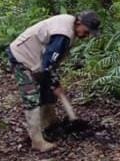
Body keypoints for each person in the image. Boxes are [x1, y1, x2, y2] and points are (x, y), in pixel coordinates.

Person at [7, 10, 101, 152]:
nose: (87, 35)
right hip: (22, 57)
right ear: (79, 23)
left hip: (37, 59)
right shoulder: (63, 34)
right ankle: (37, 140)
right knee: (31, 96)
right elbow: (48, 63)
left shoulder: (70, 28)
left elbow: (50, 63)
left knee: (48, 88)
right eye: (87, 31)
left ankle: (48, 122)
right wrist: (55, 84)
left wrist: (54, 83)